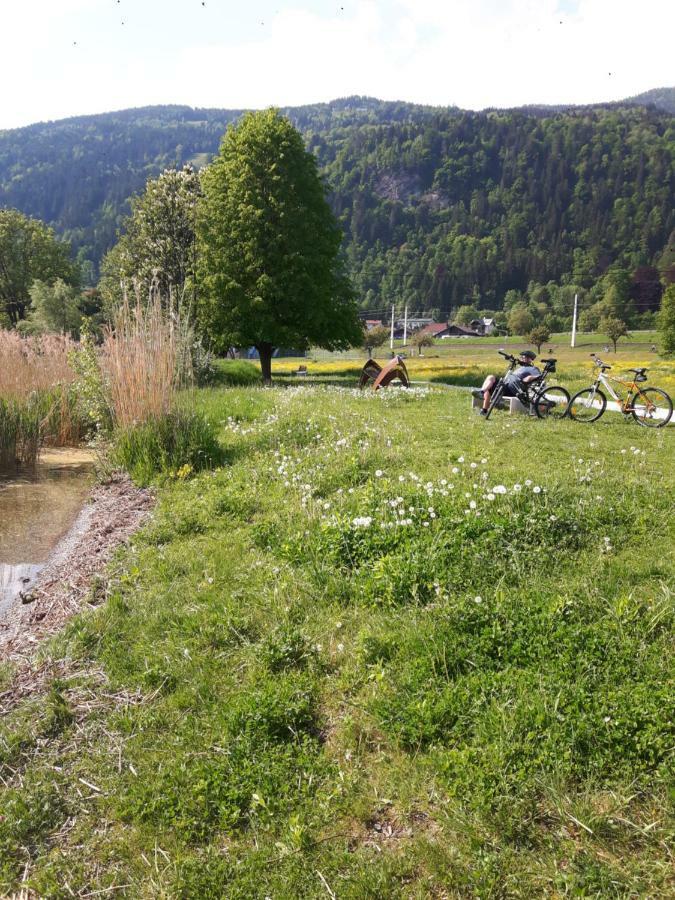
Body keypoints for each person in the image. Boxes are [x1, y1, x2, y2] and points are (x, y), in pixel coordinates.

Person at [476, 350, 541, 416]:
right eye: (521, 357)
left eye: (524, 357)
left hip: (514, 389)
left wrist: (529, 378)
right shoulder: (520, 368)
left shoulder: (533, 368)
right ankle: (482, 394)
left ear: (530, 359)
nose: (522, 359)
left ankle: (484, 410)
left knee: (492, 386)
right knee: (491, 377)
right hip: (506, 385)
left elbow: (538, 376)